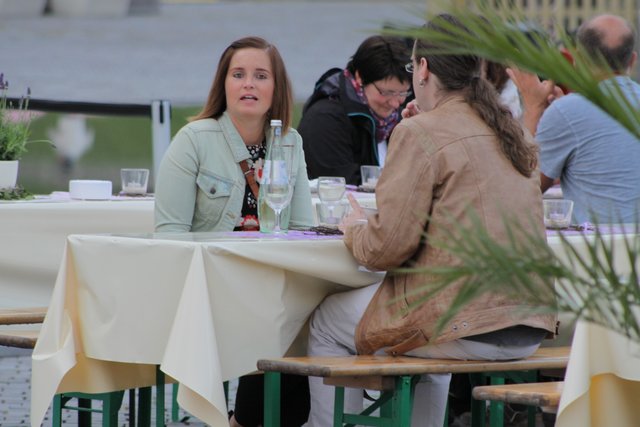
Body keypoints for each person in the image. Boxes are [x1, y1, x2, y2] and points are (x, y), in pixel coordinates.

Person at [306, 14, 557, 427]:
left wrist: (353, 228)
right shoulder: (510, 131)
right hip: (530, 322)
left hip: (466, 323)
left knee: (328, 322)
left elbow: (386, 249)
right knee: (426, 319)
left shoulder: (421, 132)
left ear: (422, 69)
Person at [154, 36, 314, 427]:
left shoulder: (290, 142)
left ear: (276, 88)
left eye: (261, 76)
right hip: (208, 287)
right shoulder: (193, 140)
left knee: (306, 320)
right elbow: (169, 236)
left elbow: (303, 231)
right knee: (273, 324)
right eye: (238, 74)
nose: (248, 84)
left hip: (270, 286)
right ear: (223, 84)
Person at [508, 14, 640, 224]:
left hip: (598, 243)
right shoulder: (567, 110)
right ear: (632, 60)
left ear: (578, 58)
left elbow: (525, 188)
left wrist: (534, 107)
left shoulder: (567, 111)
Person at [297, 35, 412, 185]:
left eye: (403, 93)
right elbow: (342, 185)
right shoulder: (324, 120)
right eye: (386, 93)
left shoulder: (402, 119)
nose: (396, 104)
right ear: (360, 78)